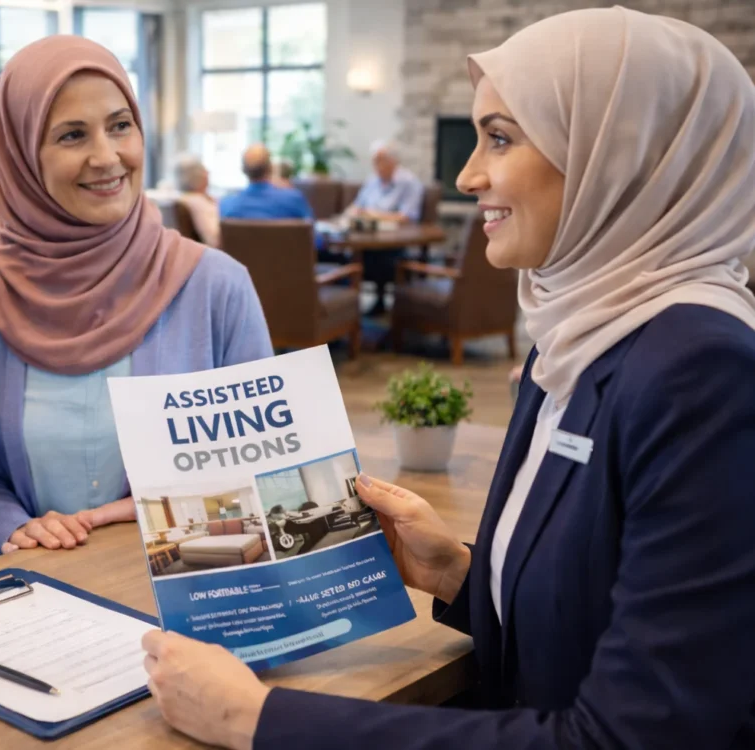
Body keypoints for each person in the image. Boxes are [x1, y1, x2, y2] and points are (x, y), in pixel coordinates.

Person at [140, 8, 755, 748]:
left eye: (499, 136)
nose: (467, 174)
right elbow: (596, 612)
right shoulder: (579, 337)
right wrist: (458, 575)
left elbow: (630, 738)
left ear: (616, 150)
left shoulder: (706, 375)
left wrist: (256, 719)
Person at [0, 36, 272, 559]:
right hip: (38, 597)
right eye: (72, 135)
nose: (107, 158)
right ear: (19, 156)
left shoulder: (215, 285)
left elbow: (273, 467)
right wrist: (9, 527)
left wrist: (170, 510)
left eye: (120, 125)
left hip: (200, 594)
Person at [343, 140, 426, 316]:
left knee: (372, 261)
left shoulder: (409, 182)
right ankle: (346, 314)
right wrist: (351, 213)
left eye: (381, 160)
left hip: (395, 246)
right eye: (375, 160)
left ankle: (379, 308)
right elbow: (356, 207)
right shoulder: (372, 181)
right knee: (342, 257)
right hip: (365, 240)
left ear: (393, 161)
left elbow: (407, 217)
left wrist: (371, 214)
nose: (376, 165)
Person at [219, 144, 314, 222]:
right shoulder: (293, 199)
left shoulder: (227, 205)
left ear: (243, 170)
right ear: (270, 168)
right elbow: (313, 239)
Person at [172, 153, 221, 248]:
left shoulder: (184, 198)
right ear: (199, 177)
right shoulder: (198, 203)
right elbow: (214, 240)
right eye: (205, 172)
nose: (208, 175)